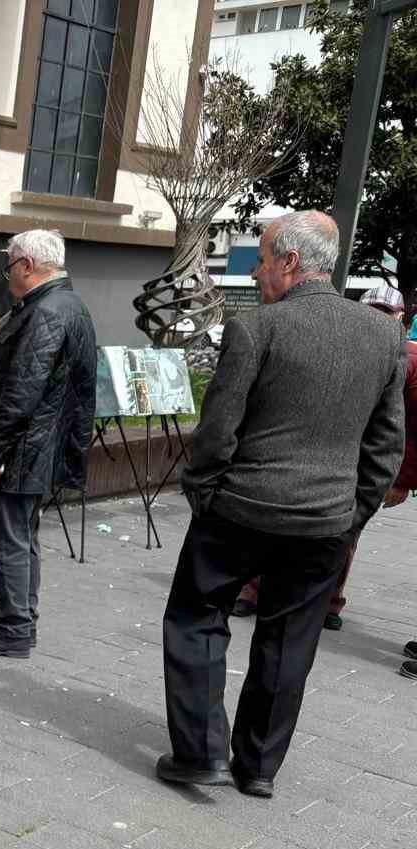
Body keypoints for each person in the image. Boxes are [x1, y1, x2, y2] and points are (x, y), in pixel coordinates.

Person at [158, 211, 406, 798]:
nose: (257, 269)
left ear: (290, 262)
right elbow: (384, 444)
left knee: (197, 616)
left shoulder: (257, 329)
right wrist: (351, 514)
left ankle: (200, 754)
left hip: (241, 509)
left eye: (264, 257)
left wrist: (207, 495)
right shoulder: (383, 335)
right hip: (323, 520)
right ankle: (258, 767)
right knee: (292, 637)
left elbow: (218, 430)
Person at [232, 283, 417, 629]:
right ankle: (254, 590)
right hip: (313, 455)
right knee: (273, 527)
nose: (379, 320)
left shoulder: (405, 358)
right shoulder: (342, 345)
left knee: (345, 536)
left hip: (360, 468)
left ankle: (328, 601)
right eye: (372, 312)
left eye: (387, 314)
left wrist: (398, 480)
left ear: (401, 318)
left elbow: (402, 428)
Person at [0, 229, 97, 657]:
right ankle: (16, 616)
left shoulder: (47, 312)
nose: (7, 275)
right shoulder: (64, 305)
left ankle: (13, 629)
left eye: (9, 265)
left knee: (6, 539)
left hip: (21, 451)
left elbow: (21, 392)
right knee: (21, 536)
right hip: (37, 447)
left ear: (27, 266)